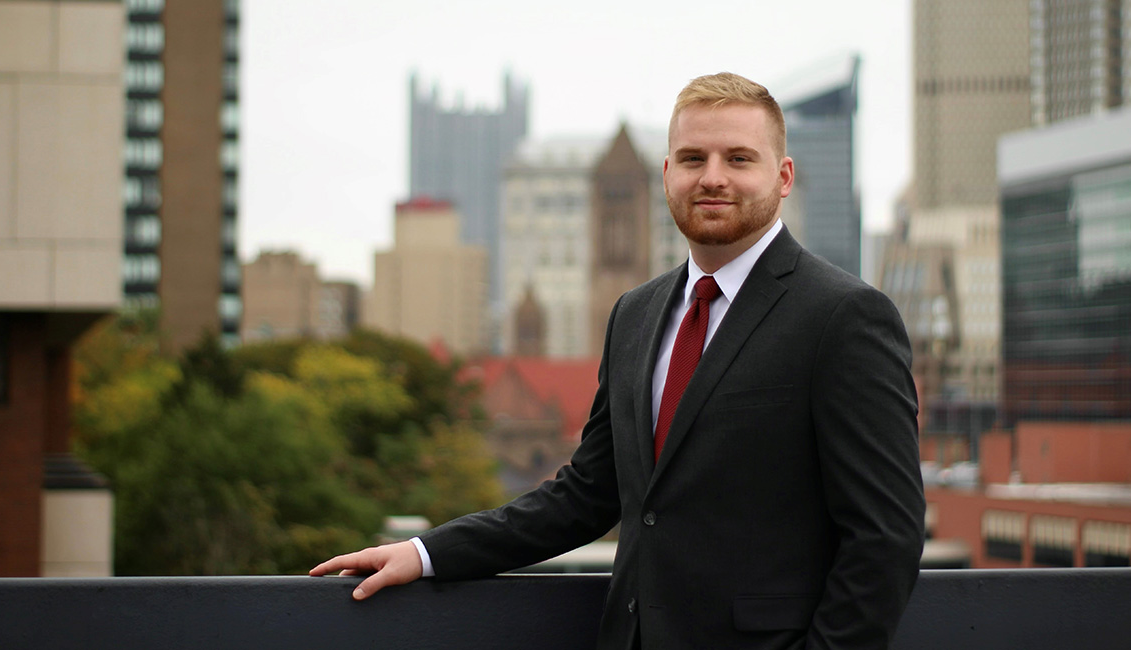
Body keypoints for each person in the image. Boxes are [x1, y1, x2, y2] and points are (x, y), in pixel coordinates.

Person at [311, 72, 925, 649]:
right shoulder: (637, 313)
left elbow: (885, 535)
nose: (713, 177)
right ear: (666, 175)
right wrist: (424, 553)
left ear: (784, 176)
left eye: (739, 158)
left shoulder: (845, 317)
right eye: (693, 159)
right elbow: (586, 495)